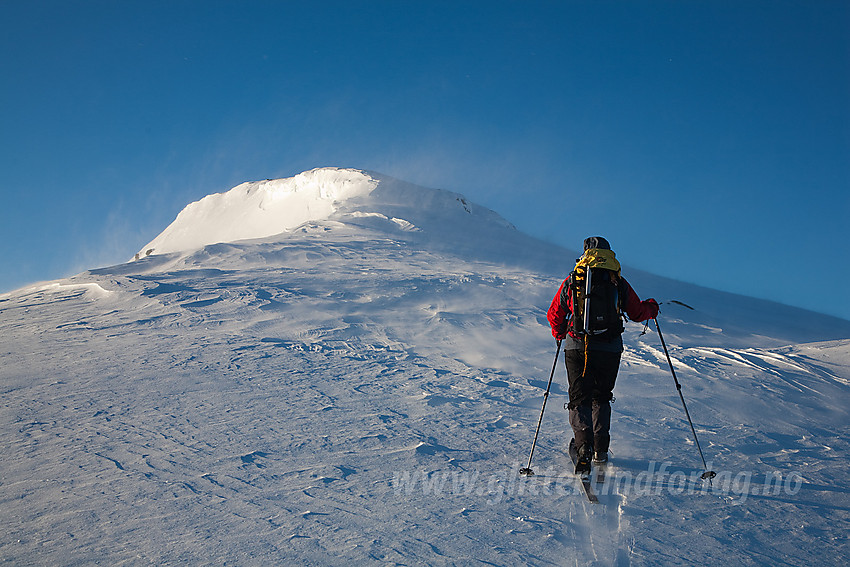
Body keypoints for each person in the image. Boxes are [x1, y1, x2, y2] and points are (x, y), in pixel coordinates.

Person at [547, 236, 659, 473]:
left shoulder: (574, 279)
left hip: (577, 345)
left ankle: (582, 447)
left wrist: (560, 335)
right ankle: (600, 449)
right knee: (601, 396)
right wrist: (652, 307)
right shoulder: (617, 280)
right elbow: (637, 312)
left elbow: (554, 313)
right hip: (609, 347)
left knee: (580, 397)